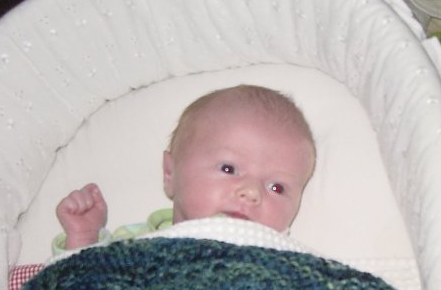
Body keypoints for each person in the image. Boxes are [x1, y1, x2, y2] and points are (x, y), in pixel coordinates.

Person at [54, 84, 316, 252]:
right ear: (170, 174)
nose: (251, 192)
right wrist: (83, 237)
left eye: (277, 187)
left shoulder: (290, 259)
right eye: (228, 169)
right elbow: (80, 289)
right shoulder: (131, 244)